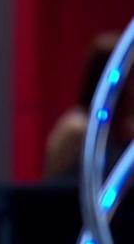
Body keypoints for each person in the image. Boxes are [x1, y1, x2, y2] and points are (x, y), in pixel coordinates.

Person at [45, 33, 134, 180]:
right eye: (130, 79)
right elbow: (57, 188)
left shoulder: (129, 132)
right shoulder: (76, 132)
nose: (132, 90)